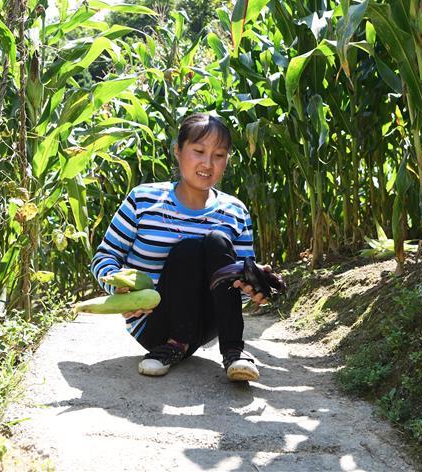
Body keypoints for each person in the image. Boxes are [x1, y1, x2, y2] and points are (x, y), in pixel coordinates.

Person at [89, 113, 280, 382]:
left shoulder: (234, 211)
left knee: (215, 241)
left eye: (219, 155)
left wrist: (253, 285)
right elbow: (105, 256)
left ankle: (234, 352)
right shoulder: (143, 200)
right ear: (178, 151)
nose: (207, 163)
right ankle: (173, 344)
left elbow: (236, 289)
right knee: (188, 250)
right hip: (154, 323)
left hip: (207, 320)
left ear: (227, 160)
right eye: (199, 151)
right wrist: (119, 289)